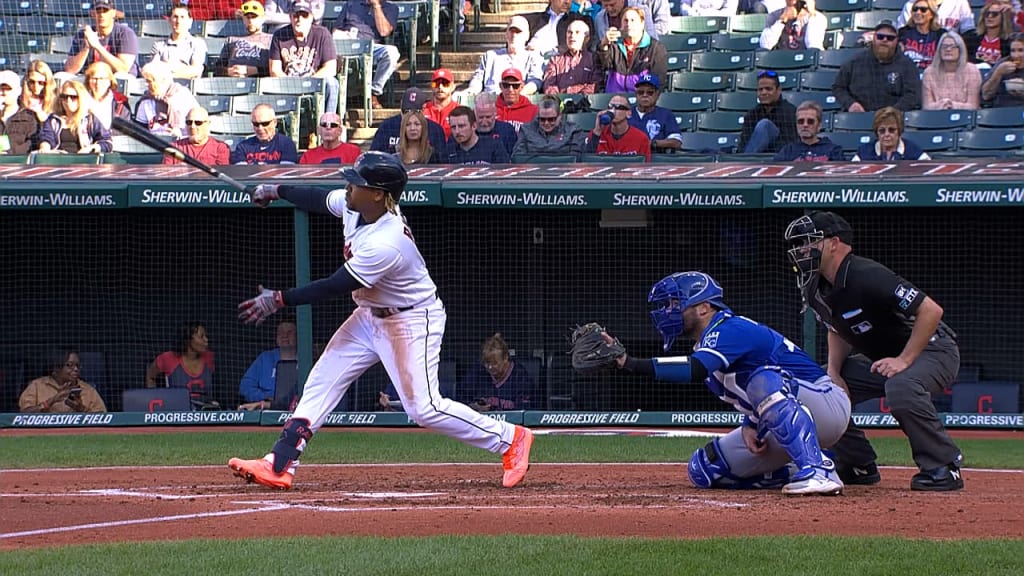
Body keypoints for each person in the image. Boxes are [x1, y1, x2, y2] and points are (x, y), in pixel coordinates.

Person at [228, 151, 535, 490]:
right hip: (369, 315)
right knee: (321, 381)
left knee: (424, 408)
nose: (349, 185)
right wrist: (275, 190)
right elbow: (316, 198)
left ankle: (510, 439)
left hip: (411, 320)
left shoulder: (387, 241)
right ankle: (280, 463)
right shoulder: (356, 203)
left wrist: (278, 299)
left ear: (377, 193)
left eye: (357, 182)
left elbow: (335, 285)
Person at [605, 271, 849, 495]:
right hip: (786, 416)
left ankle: (818, 470)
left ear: (703, 307)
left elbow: (696, 369)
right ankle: (807, 465)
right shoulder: (707, 343)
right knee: (705, 468)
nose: (668, 311)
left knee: (761, 381)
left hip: (826, 404)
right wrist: (750, 423)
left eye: (676, 304)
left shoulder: (729, 327)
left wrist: (629, 362)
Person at [784, 211, 964, 491]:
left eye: (809, 242)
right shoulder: (814, 286)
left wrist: (904, 360)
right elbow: (836, 328)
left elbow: (931, 310)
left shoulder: (866, 274)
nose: (801, 250)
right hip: (885, 359)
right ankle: (858, 463)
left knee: (901, 386)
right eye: (798, 245)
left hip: (934, 350)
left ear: (835, 243)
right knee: (817, 388)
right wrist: (833, 372)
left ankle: (944, 466)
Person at [832, 20, 923, 112]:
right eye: (880, 37)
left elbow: (913, 95)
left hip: (894, 120)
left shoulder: (907, 65)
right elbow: (838, 87)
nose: (884, 40)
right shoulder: (854, 62)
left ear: (897, 41)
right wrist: (851, 104)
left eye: (890, 38)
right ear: (874, 38)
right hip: (859, 117)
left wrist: (893, 111)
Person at [271, 0, 339, 115]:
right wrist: (292, 85)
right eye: (296, 15)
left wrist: (308, 82)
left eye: (304, 15)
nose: (299, 19)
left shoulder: (322, 34)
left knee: (332, 83)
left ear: (311, 18)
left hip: (314, 82)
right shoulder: (279, 35)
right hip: (288, 85)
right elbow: (274, 70)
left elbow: (331, 68)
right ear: (290, 17)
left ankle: (328, 123)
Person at [331, 0, 399, 109]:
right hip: (346, 47)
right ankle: (335, 99)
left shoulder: (391, 7)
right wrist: (344, 34)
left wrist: (376, 5)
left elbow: (384, 32)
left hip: (370, 49)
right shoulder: (351, 4)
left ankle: (373, 92)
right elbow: (335, 30)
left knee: (392, 53)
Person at [460, 334, 542, 412]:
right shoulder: (477, 372)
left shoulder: (520, 377)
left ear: (505, 358)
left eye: (494, 363)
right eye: (486, 363)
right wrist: (474, 407)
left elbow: (528, 409)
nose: (490, 367)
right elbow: (461, 402)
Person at [465, 15, 545, 95]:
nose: (514, 35)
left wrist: (519, 94)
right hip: (491, 100)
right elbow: (477, 79)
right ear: (506, 34)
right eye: (511, 31)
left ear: (527, 36)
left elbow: (535, 81)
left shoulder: (533, 57)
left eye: (518, 32)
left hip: (519, 100)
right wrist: (470, 91)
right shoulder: (490, 56)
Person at [145, 322, 217, 407]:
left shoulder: (210, 358)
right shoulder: (168, 358)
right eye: (201, 336)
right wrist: (156, 400)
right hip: (178, 414)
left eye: (206, 336)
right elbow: (150, 376)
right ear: (188, 340)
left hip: (206, 414)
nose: (206, 340)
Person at [597, 7, 668, 93]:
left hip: (642, 99)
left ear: (642, 24)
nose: (629, 24)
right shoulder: (614, 45)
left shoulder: (656, 48)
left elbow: (658, 82)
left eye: (633, 20)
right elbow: (603, 66)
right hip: (614, 99)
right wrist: (604, 45)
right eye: (625, 20)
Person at [64, 0, 140, 77]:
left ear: (113, 13)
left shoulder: (125, 33)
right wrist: (86, 47)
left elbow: (123, 70)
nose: (101, 15)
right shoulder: (83, 34)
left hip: (119, 83)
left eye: (105, 11)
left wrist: (97, 46)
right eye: (98, 11)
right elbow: (69, 70)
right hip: (90, 81)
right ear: (93, 13)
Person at [37, 80, 112, 155]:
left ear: (81, 99)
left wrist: (91, 148)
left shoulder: (90, 120)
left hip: (82, 162)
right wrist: (44, 147)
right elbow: (46, 137)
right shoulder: (53, 120)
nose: (68, 101)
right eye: (64, 97)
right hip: (58, 160)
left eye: (73, 97)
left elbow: (107, 141)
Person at [19, 350, 107, 414]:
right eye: (69, 365)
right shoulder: (36, 386)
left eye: (78, 366)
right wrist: (52, 400)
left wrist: (80, 409)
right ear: (56, 369)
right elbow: (24, 415)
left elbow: (103, 418)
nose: (76, 369)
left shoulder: (88, 390)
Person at [239, 319, 298, 410]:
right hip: (266, 408)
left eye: (289, 332)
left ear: (297, 336)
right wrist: (266, 397)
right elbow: (245, 386)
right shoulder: (265, 358)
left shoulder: (305, 359)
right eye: (280, 333)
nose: (284, 336)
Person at [370, 87, 447, 155]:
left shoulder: (435, 130)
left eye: (416, 112)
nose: (410, 116)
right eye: (406, 112)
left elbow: (442, 161)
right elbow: (374, 156)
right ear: (400, 106)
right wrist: (394, 150)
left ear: (424, 108)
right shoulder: (387, 126)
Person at [134, 60, 200, 139]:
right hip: (154, 145)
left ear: (163, 80)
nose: (146, 84)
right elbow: (140, 131)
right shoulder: (146, 101)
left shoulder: (184, 96)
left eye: (149, 81)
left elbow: (198, 123)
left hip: (183, 143)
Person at [736, 70, 798, 154]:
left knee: (764, 125)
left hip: (779, 160)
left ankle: (746, 162)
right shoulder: (751, 115)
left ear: (778, 90)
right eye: (760, 89)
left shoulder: (790, 112)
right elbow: (743, 146)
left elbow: (791, 146)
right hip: (756, 160)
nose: (764, 92)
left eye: (768, 89)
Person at [512, 94, 588, 158]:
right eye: (542, 119)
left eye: (551, 119)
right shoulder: (526, 130)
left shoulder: (573, 131)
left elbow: (576, 159)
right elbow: (518, 157)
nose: (546, 123)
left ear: (559, 116)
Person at [921, 31, 982, 110]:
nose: (948, 49)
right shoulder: (929, 73)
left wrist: (952, 105)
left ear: (960, 50)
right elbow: (927, 106)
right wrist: (942, 105)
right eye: (944, 46)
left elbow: (973, 105)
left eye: (953, 46)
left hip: (965, 117)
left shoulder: (972, 70)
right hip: (936, 118)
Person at [543, 19, 604, 95]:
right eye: (569, 32)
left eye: (577, 32)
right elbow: (549, 85)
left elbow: (595, 85)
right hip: (558, 103)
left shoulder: (593, 59)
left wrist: (576, 97)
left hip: (585, 103)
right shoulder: (555, 60)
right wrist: (558, 99)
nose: (572, 36)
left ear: (587, 38)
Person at [216, 0, 274, 78]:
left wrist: (254, 70)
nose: (250, 21)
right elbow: (217, 69)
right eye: (247, 17)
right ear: (243, 18)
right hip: (231, 82)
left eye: (254, 17)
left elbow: (275, 69)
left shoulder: (272, 39)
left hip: (258, 81)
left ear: (262, 19)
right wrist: (228, 71)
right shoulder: (231, 40)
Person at [586, 93, 652, 160]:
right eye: (610, 107)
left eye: (618, 107)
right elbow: (588, 161)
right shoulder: (596, 134)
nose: (613, 111)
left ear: (628, 113)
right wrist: (597, 133)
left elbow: (645, 165)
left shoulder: (641, 138)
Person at [151, 2, 208, 80]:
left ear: (190, 21)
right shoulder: (159, 45)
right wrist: (183, 70)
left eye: (182, 17)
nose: (178, 21)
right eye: (175, 17)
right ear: (170, 20)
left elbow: (195, 71)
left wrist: (168, 72)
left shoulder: (198, 44)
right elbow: (153, 70)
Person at [773, 101, 845, 162]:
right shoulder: (788, 151)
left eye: (810, 121)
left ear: (819, 125)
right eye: (801, 121)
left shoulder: (833, 150)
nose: (805, 125)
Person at [851, 106, 931, 161]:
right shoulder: (864, 152)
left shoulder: (913, 151)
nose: (886, 134)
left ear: (899, 130)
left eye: (891, 130)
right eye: (882, 131)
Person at [629, 73, 682, 153]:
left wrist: (652, 143)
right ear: (636, 95)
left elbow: (676, 142)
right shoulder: (627, 113)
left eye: (650, 93)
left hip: (656, 158)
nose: (645, 95)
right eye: (641, 92)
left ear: (657, 95)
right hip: (631, 157)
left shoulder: (666, 114)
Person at [231, 103, 299, 164]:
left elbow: (285, 174)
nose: (260, 128)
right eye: (256, 124)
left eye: (265, 124)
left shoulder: (286, 144)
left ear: (274, 122)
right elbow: (242, 174)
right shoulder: (243, 147)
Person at [523, 0, 596, 57]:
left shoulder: (580, 20)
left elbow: (585, 44)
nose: (567, 2)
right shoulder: (532, 20)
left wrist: (548, 51)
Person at [164, 106, 231, 166]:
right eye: (189, 122)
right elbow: (166, 175)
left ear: (208, 124)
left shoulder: (220, 148)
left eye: (198, 123)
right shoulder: (174, 147)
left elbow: (222, 175)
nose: (192, 126)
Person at [444, 105, 512, 164]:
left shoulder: (494, 147)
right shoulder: (449, 150)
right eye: (453, 127)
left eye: (461, 126)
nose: (457, 131)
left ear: (474, 126)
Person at [898, 0, 948, 71]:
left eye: (923, 10)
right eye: (915, 9)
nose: (918, 12)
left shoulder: (941, 34)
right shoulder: (903, 33)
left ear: (931, 14)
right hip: (908, 76)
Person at [760, 0, 827, 51]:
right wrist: (782, 20)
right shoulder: (775, 16)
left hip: (805, 63)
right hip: (780, 62)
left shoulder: (817, 18)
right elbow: (765, 45)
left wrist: (811, 15)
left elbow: (813, 46)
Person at [594, 0, 670, 44]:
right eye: (605, 6)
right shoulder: (599, 18)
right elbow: (596, 47)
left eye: (612, 5)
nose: (609, 9)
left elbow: (653, 41)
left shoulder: (641, 11)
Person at [84, 62, 131, 131]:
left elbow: (124, 128)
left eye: (102, 79)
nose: (98, 83)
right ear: (88, 80)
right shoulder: (80, 99)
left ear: (110, 81)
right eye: (94, 78)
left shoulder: (120, 102)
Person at [966, 1, 1015, 66]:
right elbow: (965, 57)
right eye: (987, 13)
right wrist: (983, 60)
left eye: (994, 14)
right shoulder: (971, 37)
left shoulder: (1009, 42)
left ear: (1003, 17)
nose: (990, 16)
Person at [981, 33, 1024, 106]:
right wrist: (998, 73)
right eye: (1013, 51)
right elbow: (985, 95)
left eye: (1021, 50)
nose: (1016, 55)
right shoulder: (1003, 63)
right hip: (1001, 110)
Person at [495, 68, 540, 133]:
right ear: (500, 86)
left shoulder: (534, 111)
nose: (510, 89)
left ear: (521, 87)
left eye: (515, 86)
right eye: (506, 85)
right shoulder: (490, 110)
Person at [474, 92, 519, 156]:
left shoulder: (507, 131)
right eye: (480, 117)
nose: (484, 122)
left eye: (488, 117)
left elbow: (513, 157)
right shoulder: (468, 131)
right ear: (474, 114)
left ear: (495, 113)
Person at [896, 0, 975, 35]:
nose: (918, 12)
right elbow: (902, 33)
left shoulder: (959, 2)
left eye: (923, 10)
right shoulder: (911, 5)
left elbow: (968, 33)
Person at [0, 70, 31, 155]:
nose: (2, 93)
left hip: (17, 163)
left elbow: (31, 144)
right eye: (0, 89)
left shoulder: (29, 118)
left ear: (18, 91)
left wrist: (10, 153)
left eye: (7, 89)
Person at [422, 68, 458, 138]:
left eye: (445, 83)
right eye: (436, 84)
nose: (440, 87)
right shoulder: (423, 110)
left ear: (453, 87)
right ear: (431, 87)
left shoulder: (459, 110)